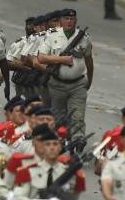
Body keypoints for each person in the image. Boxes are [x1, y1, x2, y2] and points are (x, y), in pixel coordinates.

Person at [37, 8, 92, 141]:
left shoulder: (84, 38)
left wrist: (89, 80)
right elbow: (41, 58)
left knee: (77, 117)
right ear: (60, 20)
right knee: (59, 118)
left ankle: (77, 144)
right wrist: (61, 59)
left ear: (76, 20)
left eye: (72, 19)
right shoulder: (52, 35)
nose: (69, 21)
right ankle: (60, 142)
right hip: (57, 84)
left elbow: (89, 61)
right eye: (66, 19)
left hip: (77, 84)